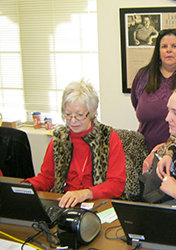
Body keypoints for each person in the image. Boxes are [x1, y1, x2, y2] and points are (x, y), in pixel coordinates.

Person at [24, 79, 126, 208]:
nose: (73, 121)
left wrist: (86, 193)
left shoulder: (109, 138)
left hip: (98, 203)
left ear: (93, 111)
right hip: (64, 202)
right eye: (67, 114)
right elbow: (47, 178)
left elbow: (116, 185)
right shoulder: (60, 138)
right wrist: (25, 186)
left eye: (79, 115)